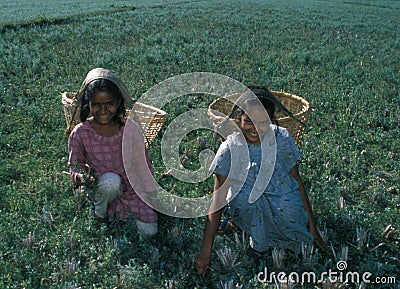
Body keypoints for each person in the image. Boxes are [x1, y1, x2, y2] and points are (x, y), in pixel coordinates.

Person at [195, 86, 325, 275]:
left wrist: (312, 228)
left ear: (271, 121)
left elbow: (297, 183)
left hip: (282, 202)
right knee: (248, 200)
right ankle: (240, 223)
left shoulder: (282, 139)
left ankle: (253, 227)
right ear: (239, 119)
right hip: (248, 206)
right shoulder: (230, 148)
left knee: (289, 212)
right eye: (249, 121)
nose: (255, 129)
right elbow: (218, 201)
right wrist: (205, 252)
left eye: (263, 123)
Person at [68, 68, 158, 236]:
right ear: (88, 105)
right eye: (96, 105)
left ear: (118, 104)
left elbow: (142, 164)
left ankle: (116, 218)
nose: (103, 111)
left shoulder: (130, 130)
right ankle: (99, 216)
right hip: (101, 188)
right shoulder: (80, 133)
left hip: (130, 190)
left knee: (150, 231)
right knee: (111, 181)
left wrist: (152, 194)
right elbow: (75, 165)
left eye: (109, 104)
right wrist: (82, 177)